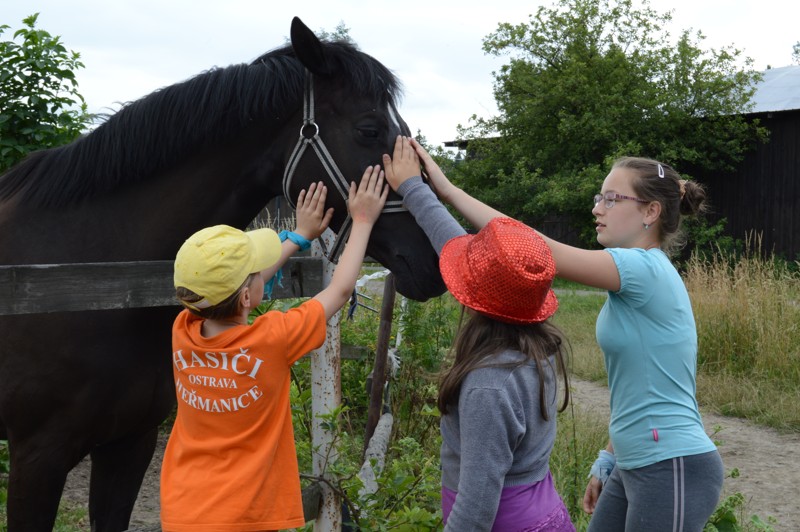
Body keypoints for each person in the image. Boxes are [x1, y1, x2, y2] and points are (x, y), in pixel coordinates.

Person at [382, 136, 723, 532]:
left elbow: (526, 248)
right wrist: (610, 458)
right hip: (639, 458)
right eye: (600, 196)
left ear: (650, 211)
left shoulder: (644, 269)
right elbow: (647, 386)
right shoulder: (634, 281)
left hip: (672, 463)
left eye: (612, 199)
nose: (597, 208)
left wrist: (445, 189)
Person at [160, 169, 388, 531]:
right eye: (254, 270)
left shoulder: (182, 329)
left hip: (184, 509)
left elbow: (231, 291)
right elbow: (341, 290)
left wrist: (297, 236)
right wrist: (362, 220)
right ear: (248, 295)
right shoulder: (273, 339)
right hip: (246, 515)